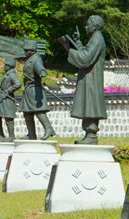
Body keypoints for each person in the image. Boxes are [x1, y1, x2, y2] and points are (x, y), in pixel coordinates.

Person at [63, 15, 107, 144]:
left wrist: (70, 50)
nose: (86, 26)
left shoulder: (97, 38)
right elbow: (86, 52)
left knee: (91, 104)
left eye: (88, 24)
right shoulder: (94, 38)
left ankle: (91, 135)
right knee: (88, 104)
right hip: (89, 78)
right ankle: (89, 134)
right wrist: (77, 42)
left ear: (95, 26)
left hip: (92, 79)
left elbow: (85, 58)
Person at [20, 39, 56, 140]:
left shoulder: (36, 59)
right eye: (25, 50)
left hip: (34, 88)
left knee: (39, 110)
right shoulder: (29, 58)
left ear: (34, 50)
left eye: (28, 50)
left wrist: (42, 71)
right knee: (27, 112)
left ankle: (49, 129)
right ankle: (31, 134)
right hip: (28, 88)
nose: (26, 52)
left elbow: (39, 67)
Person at [0, 57, 20, 142]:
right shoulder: (7, 74)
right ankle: (0, 133)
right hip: (2, 98)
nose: (4, 66)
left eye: (5, 65)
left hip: (8, 99)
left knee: (8, 117)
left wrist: (8, 91)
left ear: (9, 66)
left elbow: (18, 84)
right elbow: (4, 84)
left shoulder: (12, 75)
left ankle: (11, 136)